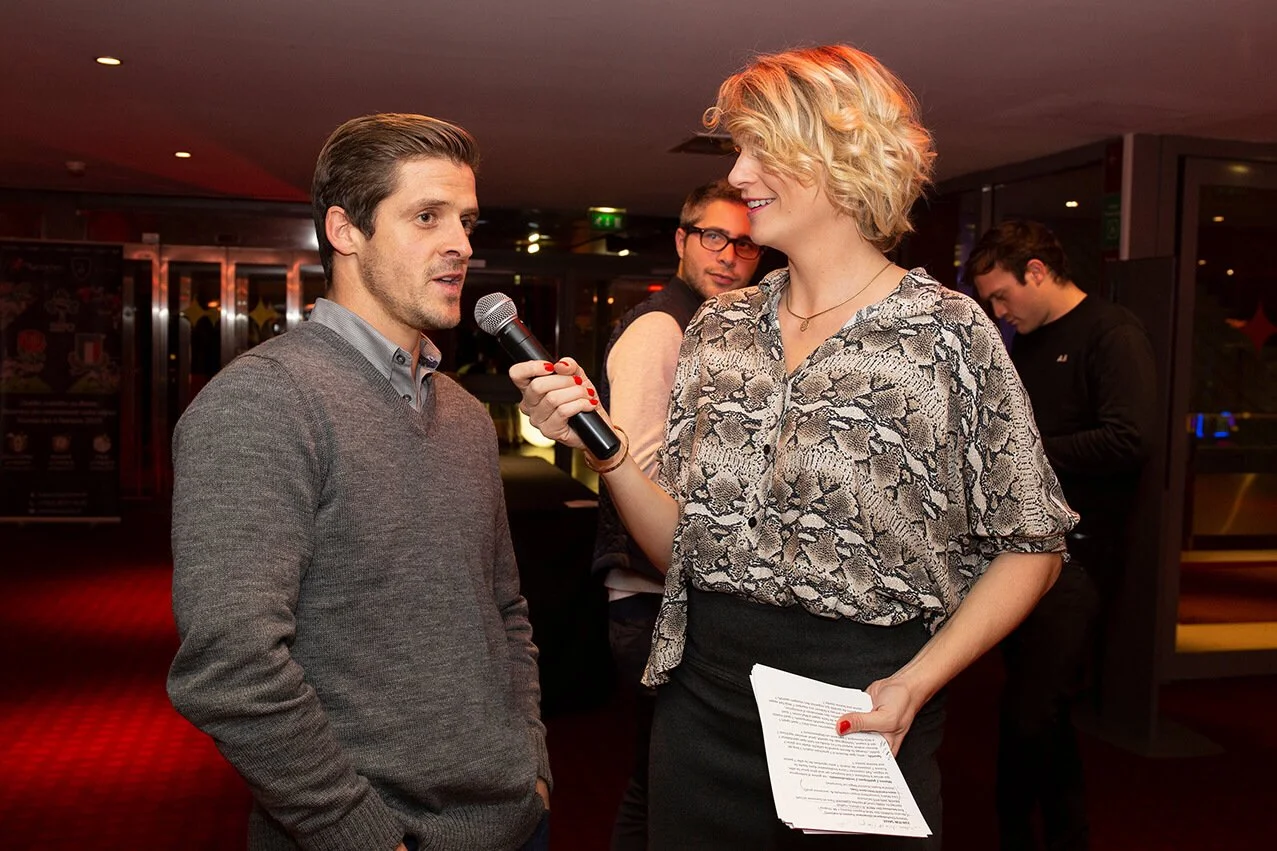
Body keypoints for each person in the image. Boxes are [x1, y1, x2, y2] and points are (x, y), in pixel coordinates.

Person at [511, 45, 1077, 850]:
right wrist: (601, 452)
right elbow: (684, 547)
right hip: (702, 703)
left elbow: (1034, 545)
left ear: (844, 155)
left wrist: (916, 683)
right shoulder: (720, 327)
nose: (739, 174)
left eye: (760, 149)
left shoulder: (944, 333)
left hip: (863, 709)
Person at [167, 113, 551, 851]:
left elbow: (504, 609)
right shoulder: (264, 401)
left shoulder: (466, 414)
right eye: (427, 216)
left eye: (466, 221)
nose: (461, 245)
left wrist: (530, 767)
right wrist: (359, 833)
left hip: (514, 820)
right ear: (346, 231)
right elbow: (230, 664)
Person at [967, 219, 1157, 851]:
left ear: (1038, 272)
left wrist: (1027, 452)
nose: (999, 311)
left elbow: (1129, 439)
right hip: (1028, 554)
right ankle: (1066, 834)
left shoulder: (1112, 333)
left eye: (1002, 296)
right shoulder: (1029, 339)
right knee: (1044, 715)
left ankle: (1016, 835)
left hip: (1080, 560)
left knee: (1028, 715)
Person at [595, 178, 761, 850]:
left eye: (745, 243)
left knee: (675, 783)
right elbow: (633, 466)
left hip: (681, 593)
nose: (727, 254)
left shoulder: (723, 325)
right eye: (712, 237)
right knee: (660, 786)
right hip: (649, 595)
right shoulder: (662, 325)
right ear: (681, 241)